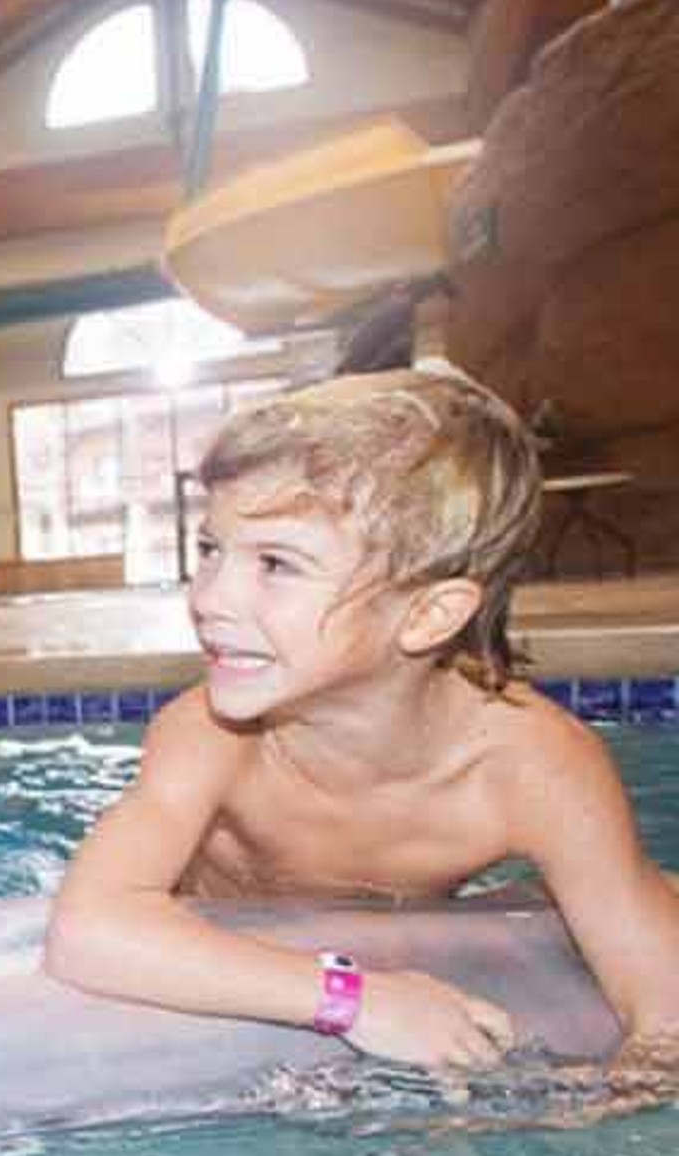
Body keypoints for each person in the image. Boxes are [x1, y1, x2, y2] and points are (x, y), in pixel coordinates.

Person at [44, 370, 679, 1071]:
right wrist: (356, 1000)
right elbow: (88, 929)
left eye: (276, 564)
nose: (209, 597)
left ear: (428, 614)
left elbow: (664, 1009)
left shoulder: (533, 765)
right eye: (210, 549)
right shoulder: (211, 737)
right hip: (238, 952)